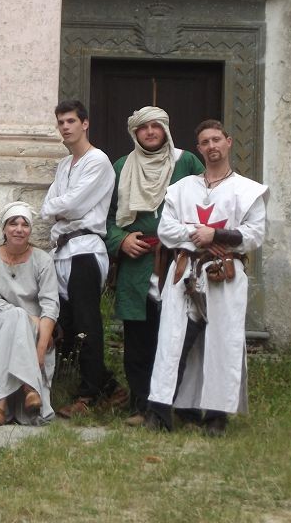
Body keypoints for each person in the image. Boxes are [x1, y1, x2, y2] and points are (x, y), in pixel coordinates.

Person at [146, 120, 268, 437]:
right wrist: (198, 234)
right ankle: (161, 411)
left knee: (223, 342)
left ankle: (216, 416)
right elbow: (166, 231)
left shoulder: (247, 190)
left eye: (216, 139)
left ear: (228, 142)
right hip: (185, 273)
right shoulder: (182, 188)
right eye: (205, 142)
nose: (211, 146)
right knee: (173, 340)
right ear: (199, 148)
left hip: (224, 274)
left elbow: (254, 235)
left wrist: (218, 235)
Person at [105, 106, 204, 425]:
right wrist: (120, 240)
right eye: (143, 127)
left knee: (179, 337)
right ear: (135, 132)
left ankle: (181, 406)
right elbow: (106, 216)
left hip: (179, 260)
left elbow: (207, 203)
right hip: (137, 264)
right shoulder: (122, 166)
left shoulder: (186, 162)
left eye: (156, 126)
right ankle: (141, 405)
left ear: (165, 129)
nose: (150, 132)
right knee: (138, 341)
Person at [40, 99, 126, 417]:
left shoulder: (98, 161)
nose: (65, 127)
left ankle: (88, 396)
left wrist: (61, 208)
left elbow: (72, 205)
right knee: (67, 324)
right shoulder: (65, 165)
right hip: (61, 252)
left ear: (85, 123)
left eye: (71, 121)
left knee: (87, 323)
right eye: (61, 122)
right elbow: (48, 206)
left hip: (86, 250)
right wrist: (60, 207)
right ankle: (109, 387)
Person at [0, 202, 59, 426]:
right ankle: (30, 388)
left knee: (19, 320)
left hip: (36, 329)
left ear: (30, 230)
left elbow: (50, 305)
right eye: (13, 224)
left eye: (25, 225)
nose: (19, 229)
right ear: (4, 229)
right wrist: (25, 315)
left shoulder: (42, 260)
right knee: (16, 317)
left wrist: (40, 350)